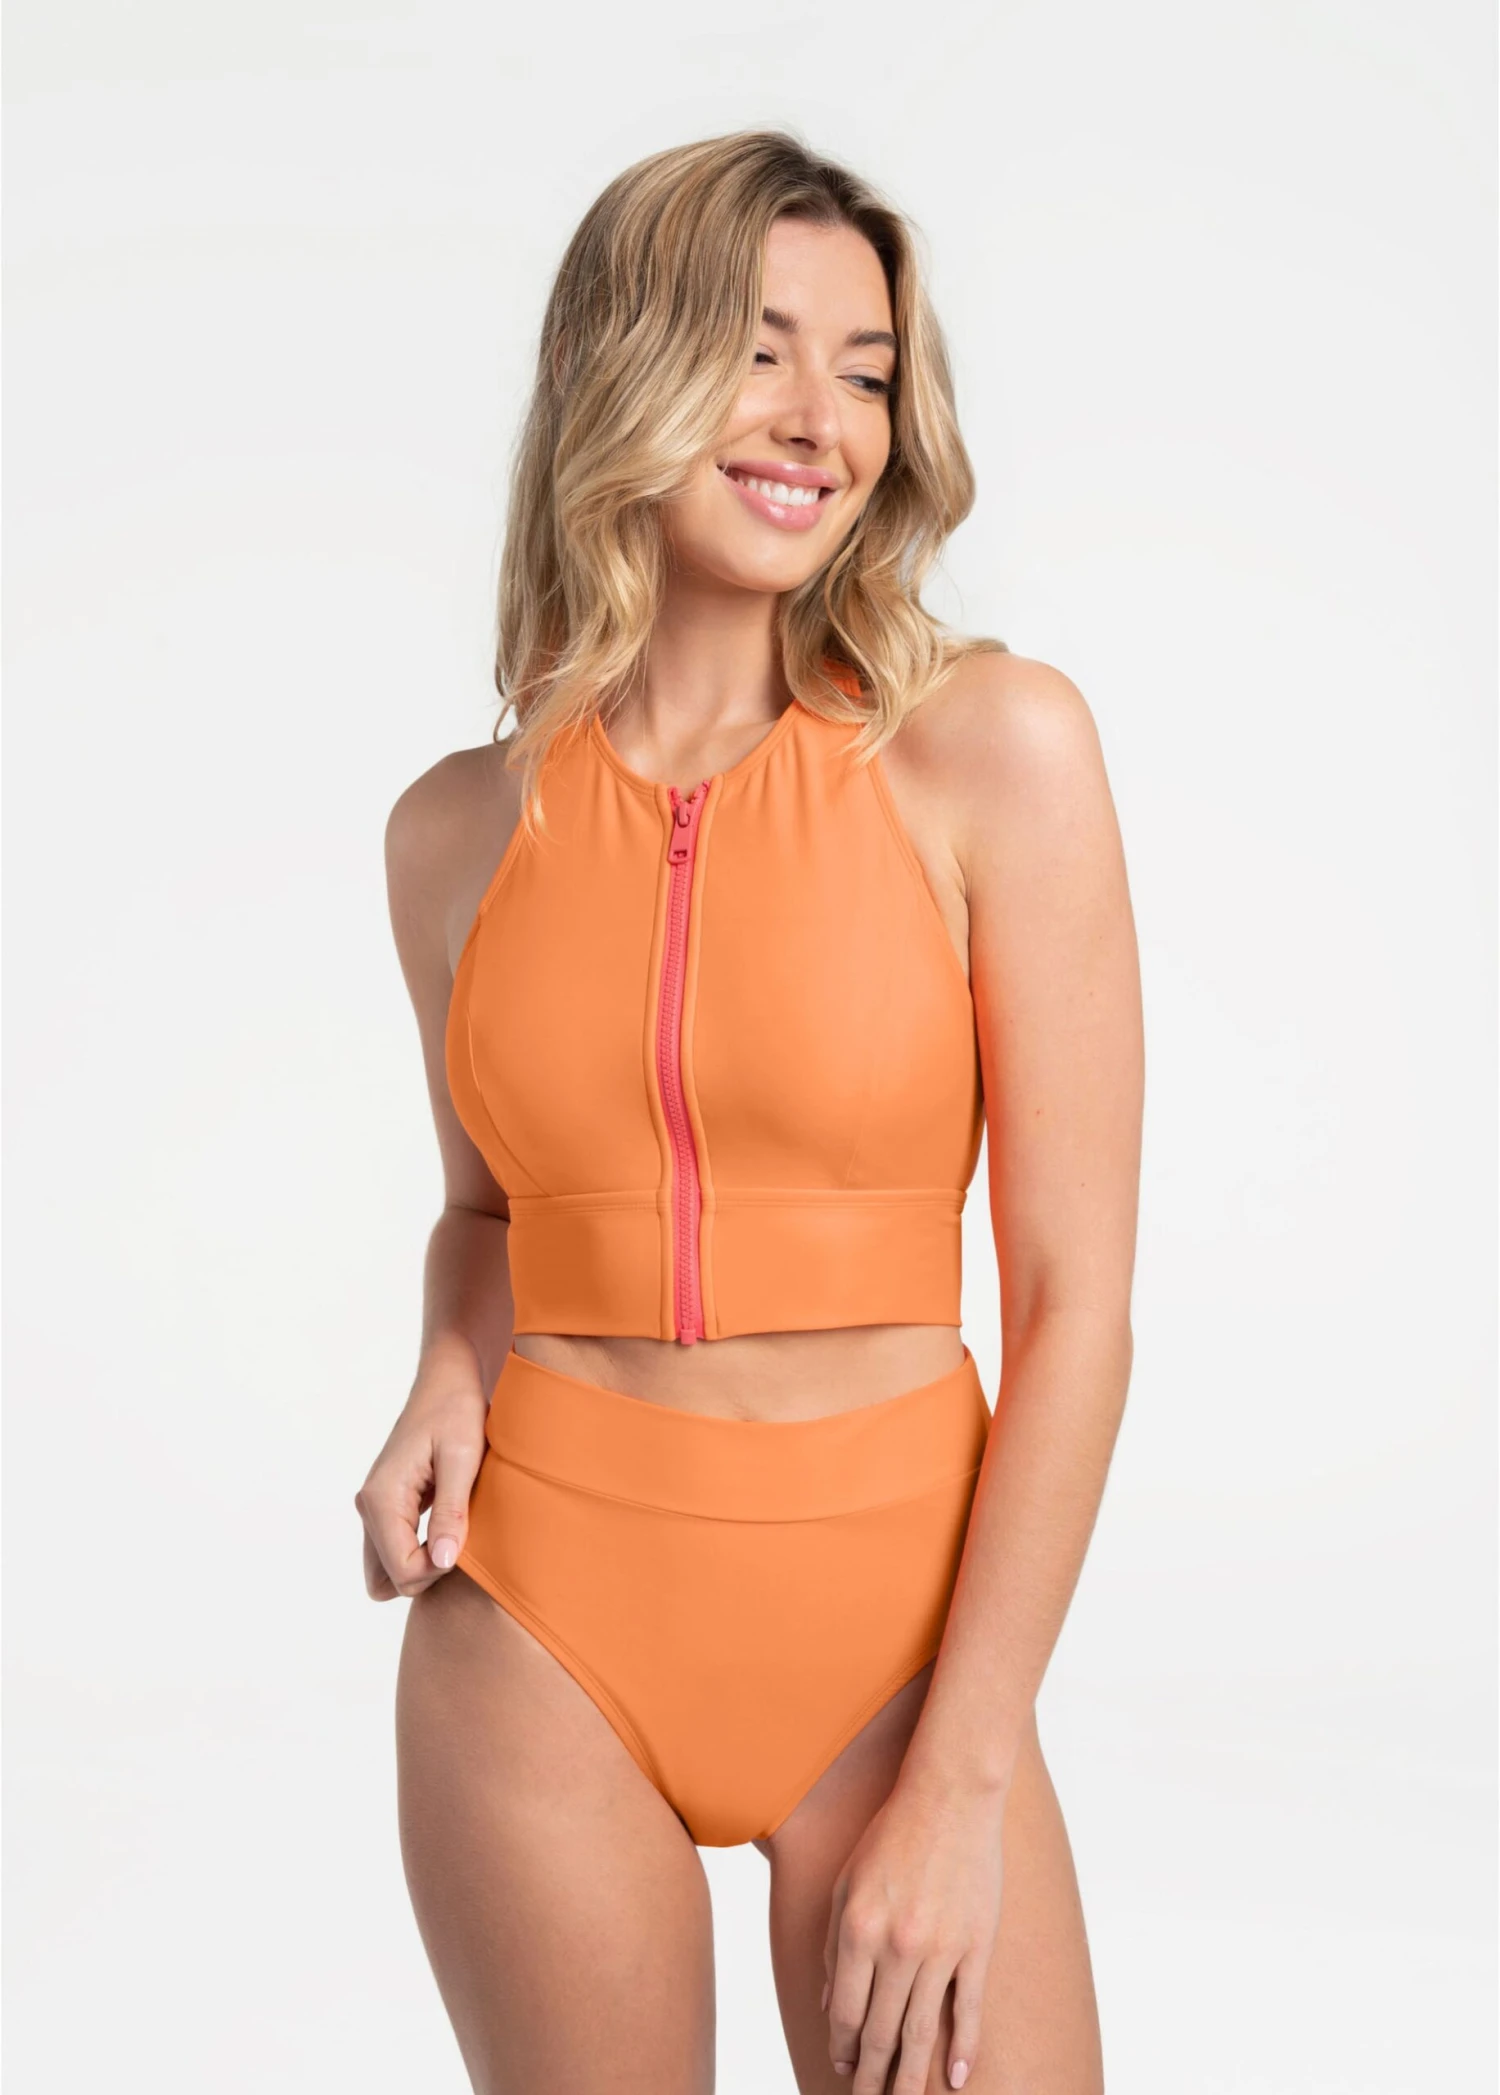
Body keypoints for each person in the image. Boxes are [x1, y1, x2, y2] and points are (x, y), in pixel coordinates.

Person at [355, 128, 1143, 2095]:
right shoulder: (455, 834)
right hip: (538, 1627)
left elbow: (1074, 1305)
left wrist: (964, 1777)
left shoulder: (992, 754)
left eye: (865, 371)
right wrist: (448, 1361)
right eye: (761, 350)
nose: (820, 420)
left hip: (894, 1647)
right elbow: (491, 1213)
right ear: (621, 368)